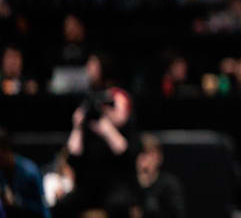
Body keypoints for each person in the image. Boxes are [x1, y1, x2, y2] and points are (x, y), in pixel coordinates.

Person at [53, 87, 140, 218]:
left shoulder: (128, 130)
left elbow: (127, 155)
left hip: (116, 189)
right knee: (62, 205)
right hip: (89, 188)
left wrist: (107, 130)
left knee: (118, 205)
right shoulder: (90, 129)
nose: (110, 109)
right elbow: (72, 157)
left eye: (114, 106)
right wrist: (77, 127)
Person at [0, 127, 50, 218]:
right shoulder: (2, 170)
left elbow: (42, 208)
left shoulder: (29, 171)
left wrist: (17, 201)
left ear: (6, 150)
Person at [135, 134, 185, 218]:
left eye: (149, 154)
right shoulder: (128, 184)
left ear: (159, 158)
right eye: (141, 154)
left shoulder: (169, 185)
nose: (145, 160)